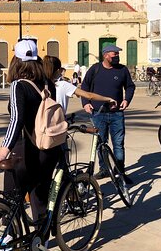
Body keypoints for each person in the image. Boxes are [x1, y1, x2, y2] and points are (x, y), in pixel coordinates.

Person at [0, 40, 62, 251]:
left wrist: (2, 152)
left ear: (16, 61)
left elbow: (16, 120)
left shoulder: (19, 85)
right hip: (48, 149)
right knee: (39, 200)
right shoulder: (47, 83)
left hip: (24, 152)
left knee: (11, 199)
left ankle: (8, 249)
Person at [80, 45, 136, 183]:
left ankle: (120, 172)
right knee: (101, 143)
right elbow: (84, 87)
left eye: (117, 55)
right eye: (114, 54)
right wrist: (85, 102)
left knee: (118, 143)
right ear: (105, 55)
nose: (116, 57)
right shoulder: (95, 69)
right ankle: (104, 169)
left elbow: (130, 86)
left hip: (117, 113)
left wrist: (126, 100)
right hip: (98, 114)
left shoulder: (122, 70)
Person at [43, 56, 116, 113]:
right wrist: (108, 99)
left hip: (40, 126)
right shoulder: (63, 85)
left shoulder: (41, 85)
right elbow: (89, 95)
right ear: (58, 70)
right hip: (57, 126)